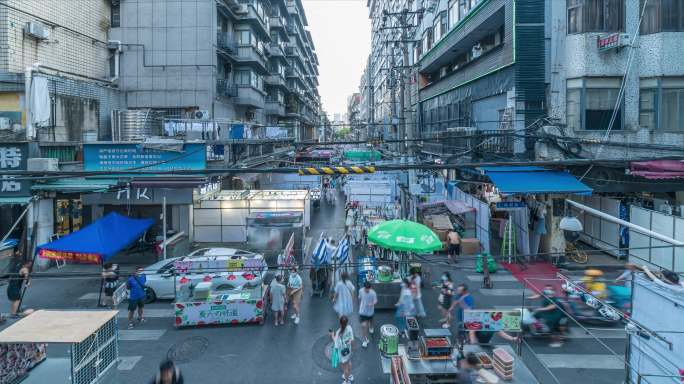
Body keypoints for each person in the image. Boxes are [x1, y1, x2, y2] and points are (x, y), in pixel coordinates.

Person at [330, 315, 354, 384]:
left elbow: (336, 345)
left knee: (344, 368)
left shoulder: (338, 333)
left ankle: (347, 381)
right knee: (349, 362)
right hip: (348, 350)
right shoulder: (349, 328)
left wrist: (332, 336)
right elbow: (352, 339)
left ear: (340, 323)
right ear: (347, 322)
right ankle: (349, 376)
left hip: (342, 353)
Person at [358, 281, 377, 348]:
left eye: (368, 289)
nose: (367, 290)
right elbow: (360, 298)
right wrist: (361, 305)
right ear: (364, 287)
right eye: (366, 289)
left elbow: (375, 301)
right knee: (364, 326)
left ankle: (371, 327)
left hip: (370, 311)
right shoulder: (360, 291)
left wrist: (371, 304)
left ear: (370, 288)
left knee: (371, 321)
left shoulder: (373, 293)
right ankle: (365, 340)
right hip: (362, 312)